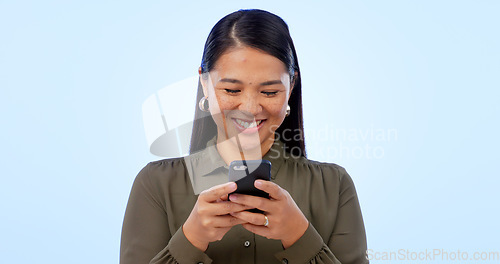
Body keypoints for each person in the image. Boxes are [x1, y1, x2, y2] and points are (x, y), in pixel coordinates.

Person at [120, 9, 368, 264]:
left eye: (270, 92)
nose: (250, 108)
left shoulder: (334, 186)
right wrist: (190, 238)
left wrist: (300, 236)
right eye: (231, 89)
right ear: (205, 84)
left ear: (291, 86)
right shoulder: (156, 184)